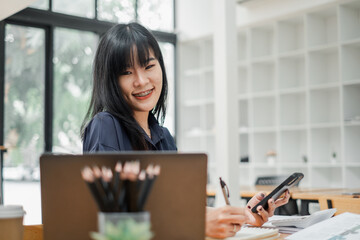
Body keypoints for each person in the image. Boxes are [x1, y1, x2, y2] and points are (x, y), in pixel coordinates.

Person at [81, 22, 290, 239]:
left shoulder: (163, 137)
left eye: (149, 66)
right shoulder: (105, 125)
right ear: (110, 81)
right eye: (126, 72)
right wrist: (196, 224)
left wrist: (245, 217)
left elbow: (176, 210)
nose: (141, 81)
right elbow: (110, 220)